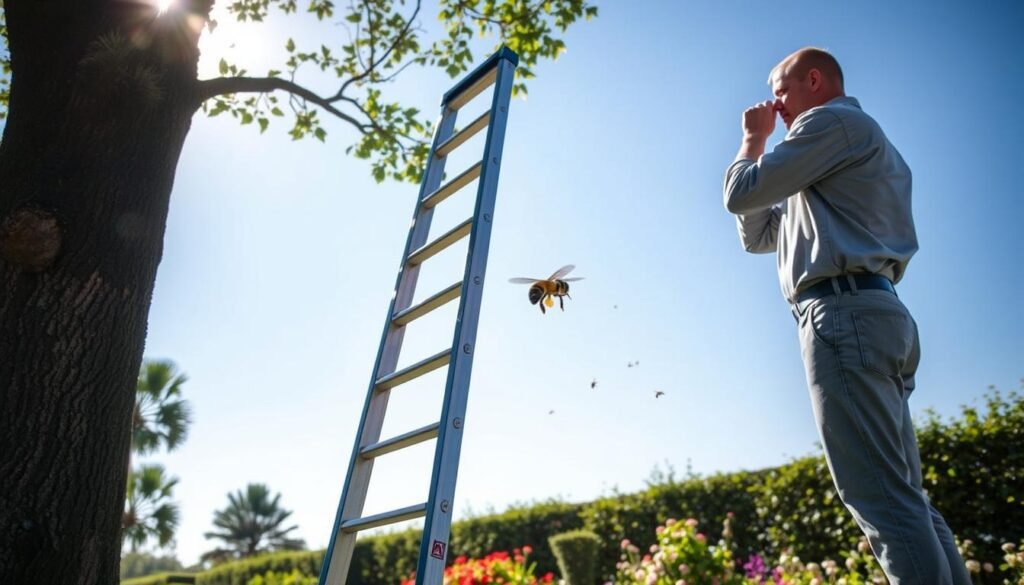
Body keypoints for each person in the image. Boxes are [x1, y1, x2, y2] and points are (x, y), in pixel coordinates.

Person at [722, 47, 971, 585]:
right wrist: (764, 165)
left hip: (842, 314)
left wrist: (753, 142)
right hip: (871, 312)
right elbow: (758, 232)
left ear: (814, 79)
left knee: (880, 499)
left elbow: (741, 192)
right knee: (906, 497)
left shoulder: (829, 123)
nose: (775, 103)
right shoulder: (823, 156)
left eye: (781, 88)